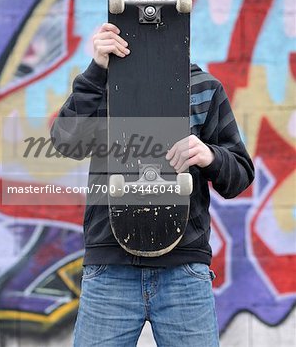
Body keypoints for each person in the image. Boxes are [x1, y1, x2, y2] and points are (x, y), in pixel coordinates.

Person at [51, 22, 254, 346]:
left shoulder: (203, 86)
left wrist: (210, 156)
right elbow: (66, 143)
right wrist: (96, 70)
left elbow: (240, 176)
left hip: (184, 271)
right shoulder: (102, 84)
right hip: (110, 270)